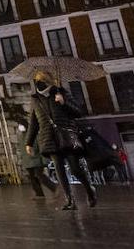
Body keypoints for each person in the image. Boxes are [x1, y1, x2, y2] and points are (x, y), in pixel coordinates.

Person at [26, 72, 96, 210]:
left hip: (66, 136)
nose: (40, 83)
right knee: (59, 170)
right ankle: (70, 200)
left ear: (50, 81)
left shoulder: (61, 92)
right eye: (38, 80)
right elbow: (33, 123)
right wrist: (28, 142)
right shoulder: (35, 99)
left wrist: (64, 103)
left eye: (43, 80)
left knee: (75, 169)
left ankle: (90, 190)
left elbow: (78, 112)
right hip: (49, 138)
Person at [15, 122, 57, 198]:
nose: (20, 127)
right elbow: (20, 148)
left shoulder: (33, 135)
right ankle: (39, 194)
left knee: (39, 175)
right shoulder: (20, 136)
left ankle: (54, 188)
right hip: (27, 160)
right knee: (32, 178)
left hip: (36, 159)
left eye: (21, 125)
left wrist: (44, 160)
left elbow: (40, 146)